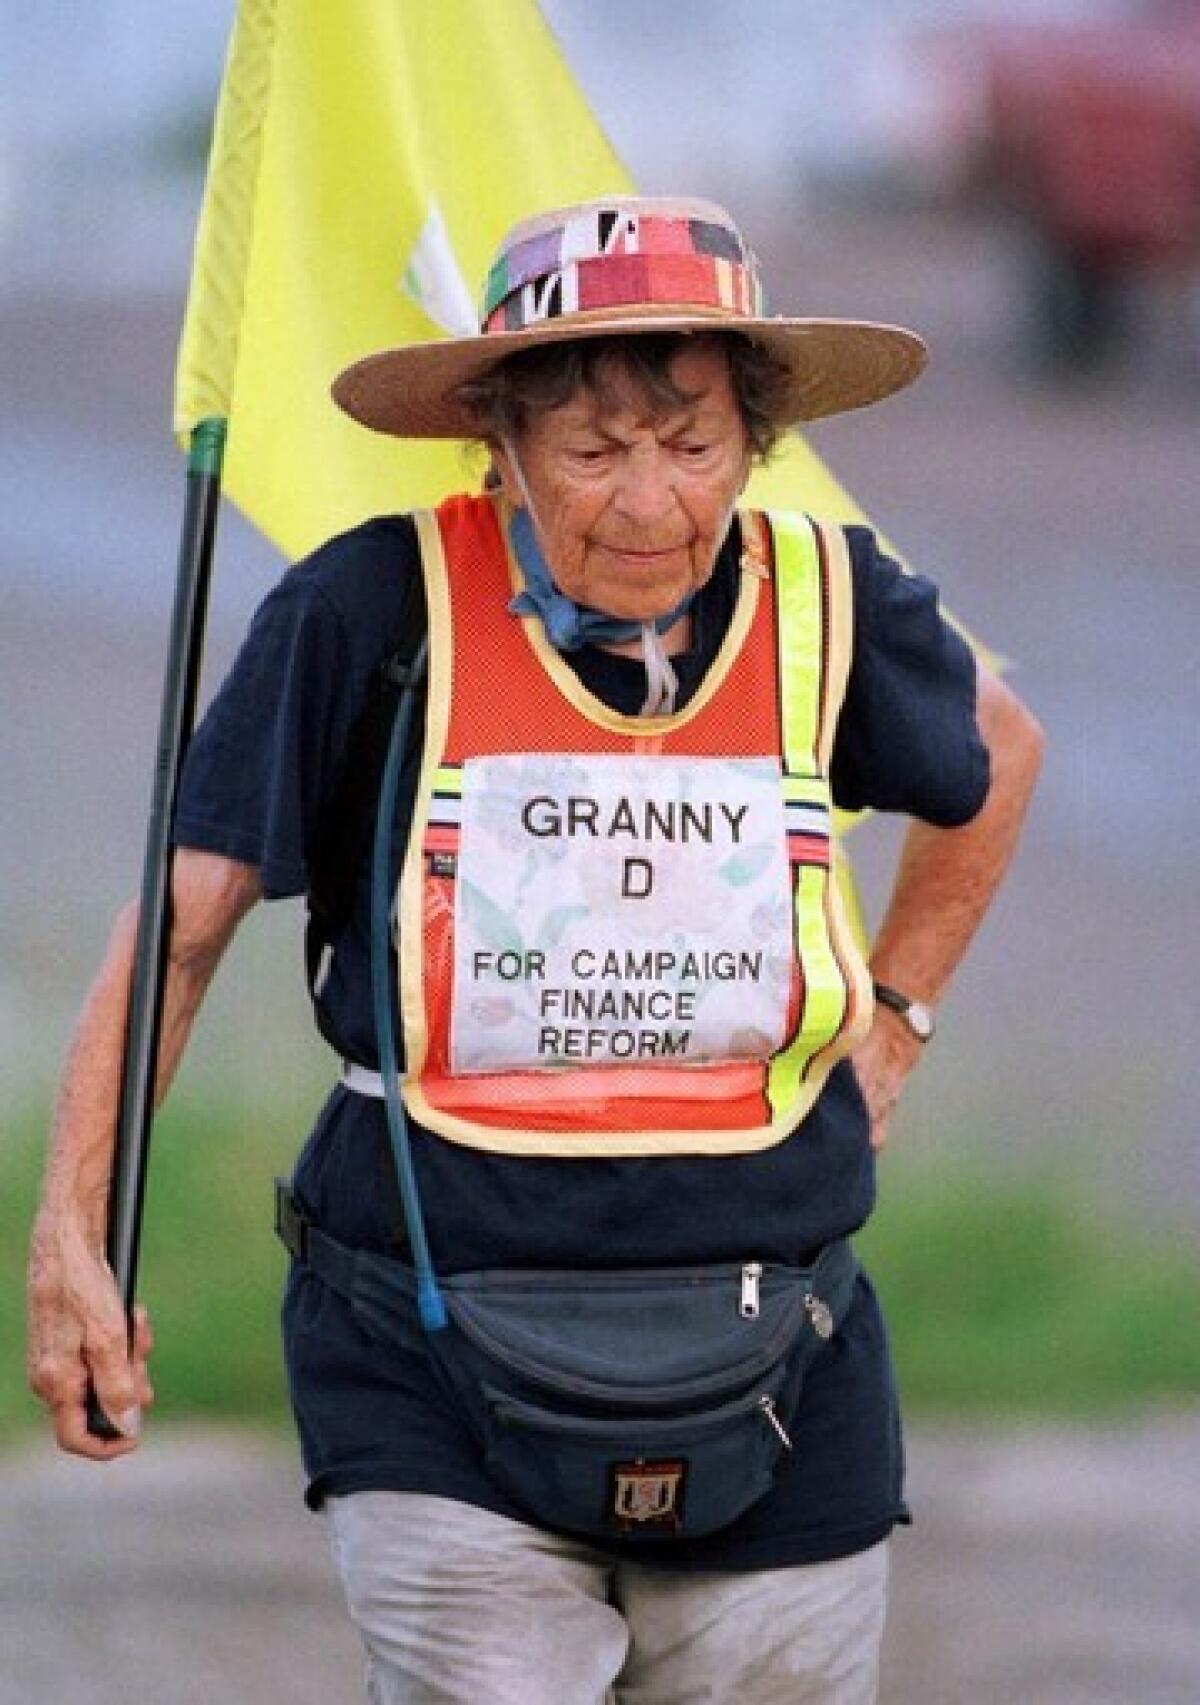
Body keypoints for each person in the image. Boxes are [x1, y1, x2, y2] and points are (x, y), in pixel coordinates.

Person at [28, 195, 1043, 1702]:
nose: (649, 503)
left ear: (755, 441)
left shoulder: (828, 601)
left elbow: (1000, 752)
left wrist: (896, 1015)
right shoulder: (366, 608)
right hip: (429, 1354)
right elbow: (182, 924)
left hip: (788, 1357)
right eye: (591, 449)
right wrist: (73, 1239)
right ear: (492, 442)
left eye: (692, 445)